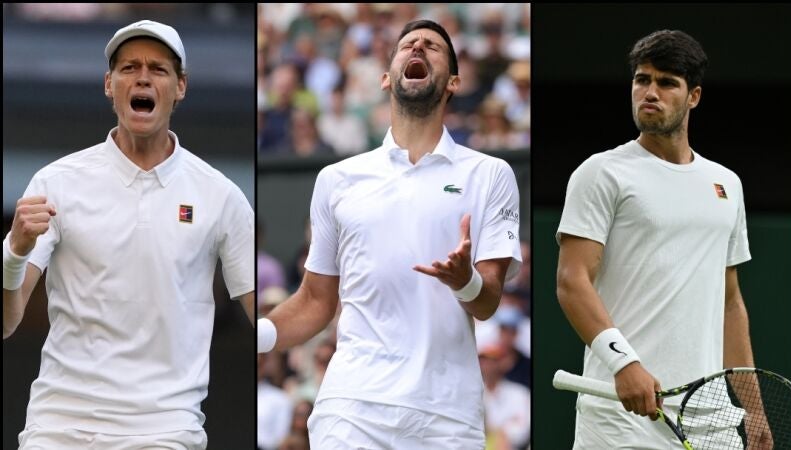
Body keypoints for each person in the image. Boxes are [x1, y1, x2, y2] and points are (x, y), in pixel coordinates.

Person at [259, 19, 522, 449]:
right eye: (408, 45)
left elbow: (488, 300)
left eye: (433, 47)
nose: (418, 47)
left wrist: (465, 280)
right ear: (386, 77)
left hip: (446, 415)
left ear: (454, 81)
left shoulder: (490, 174)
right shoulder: (336, 179)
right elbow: (315, 300)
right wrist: (256, 336)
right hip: (352, 407)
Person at [2, 20, 254, 449]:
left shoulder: (221, 196)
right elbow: (6, 323)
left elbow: (264, 317)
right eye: (129, 67)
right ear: (109, 84)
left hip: (166, 429)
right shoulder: (56, 181)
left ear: (180, 87)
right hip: (59, 426)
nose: (142, 77)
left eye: (158, 69)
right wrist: (13, 254)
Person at [555, 29, 766, 448]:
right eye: (641, 79)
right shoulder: (600, 173)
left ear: (694, 96)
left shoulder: (727, 184)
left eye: (667, 82)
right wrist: (624, 364)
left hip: (714, 420)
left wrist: (754, 409)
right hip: (620, 416)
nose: (649, 92)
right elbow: (571, 280)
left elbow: (729, 301)